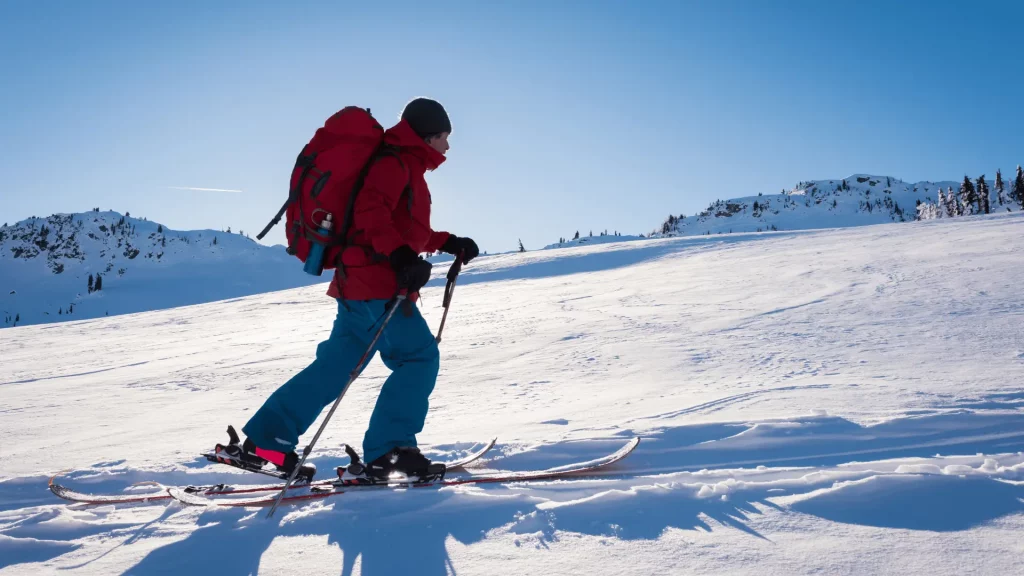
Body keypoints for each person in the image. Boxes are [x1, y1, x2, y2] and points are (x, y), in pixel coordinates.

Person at [224, 98, 479, 480]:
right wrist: (399, 259)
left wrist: (448, 242)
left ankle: (266, 442)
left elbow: (405, 227)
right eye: (445, 137)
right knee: (417, 358)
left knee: (336, 365)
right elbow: (370, 214)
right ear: (430, 135)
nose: (448, 146)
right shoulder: (395, 163)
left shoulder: (401, 163)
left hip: (357, 283)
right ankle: (390, 452)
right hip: (378, 284)